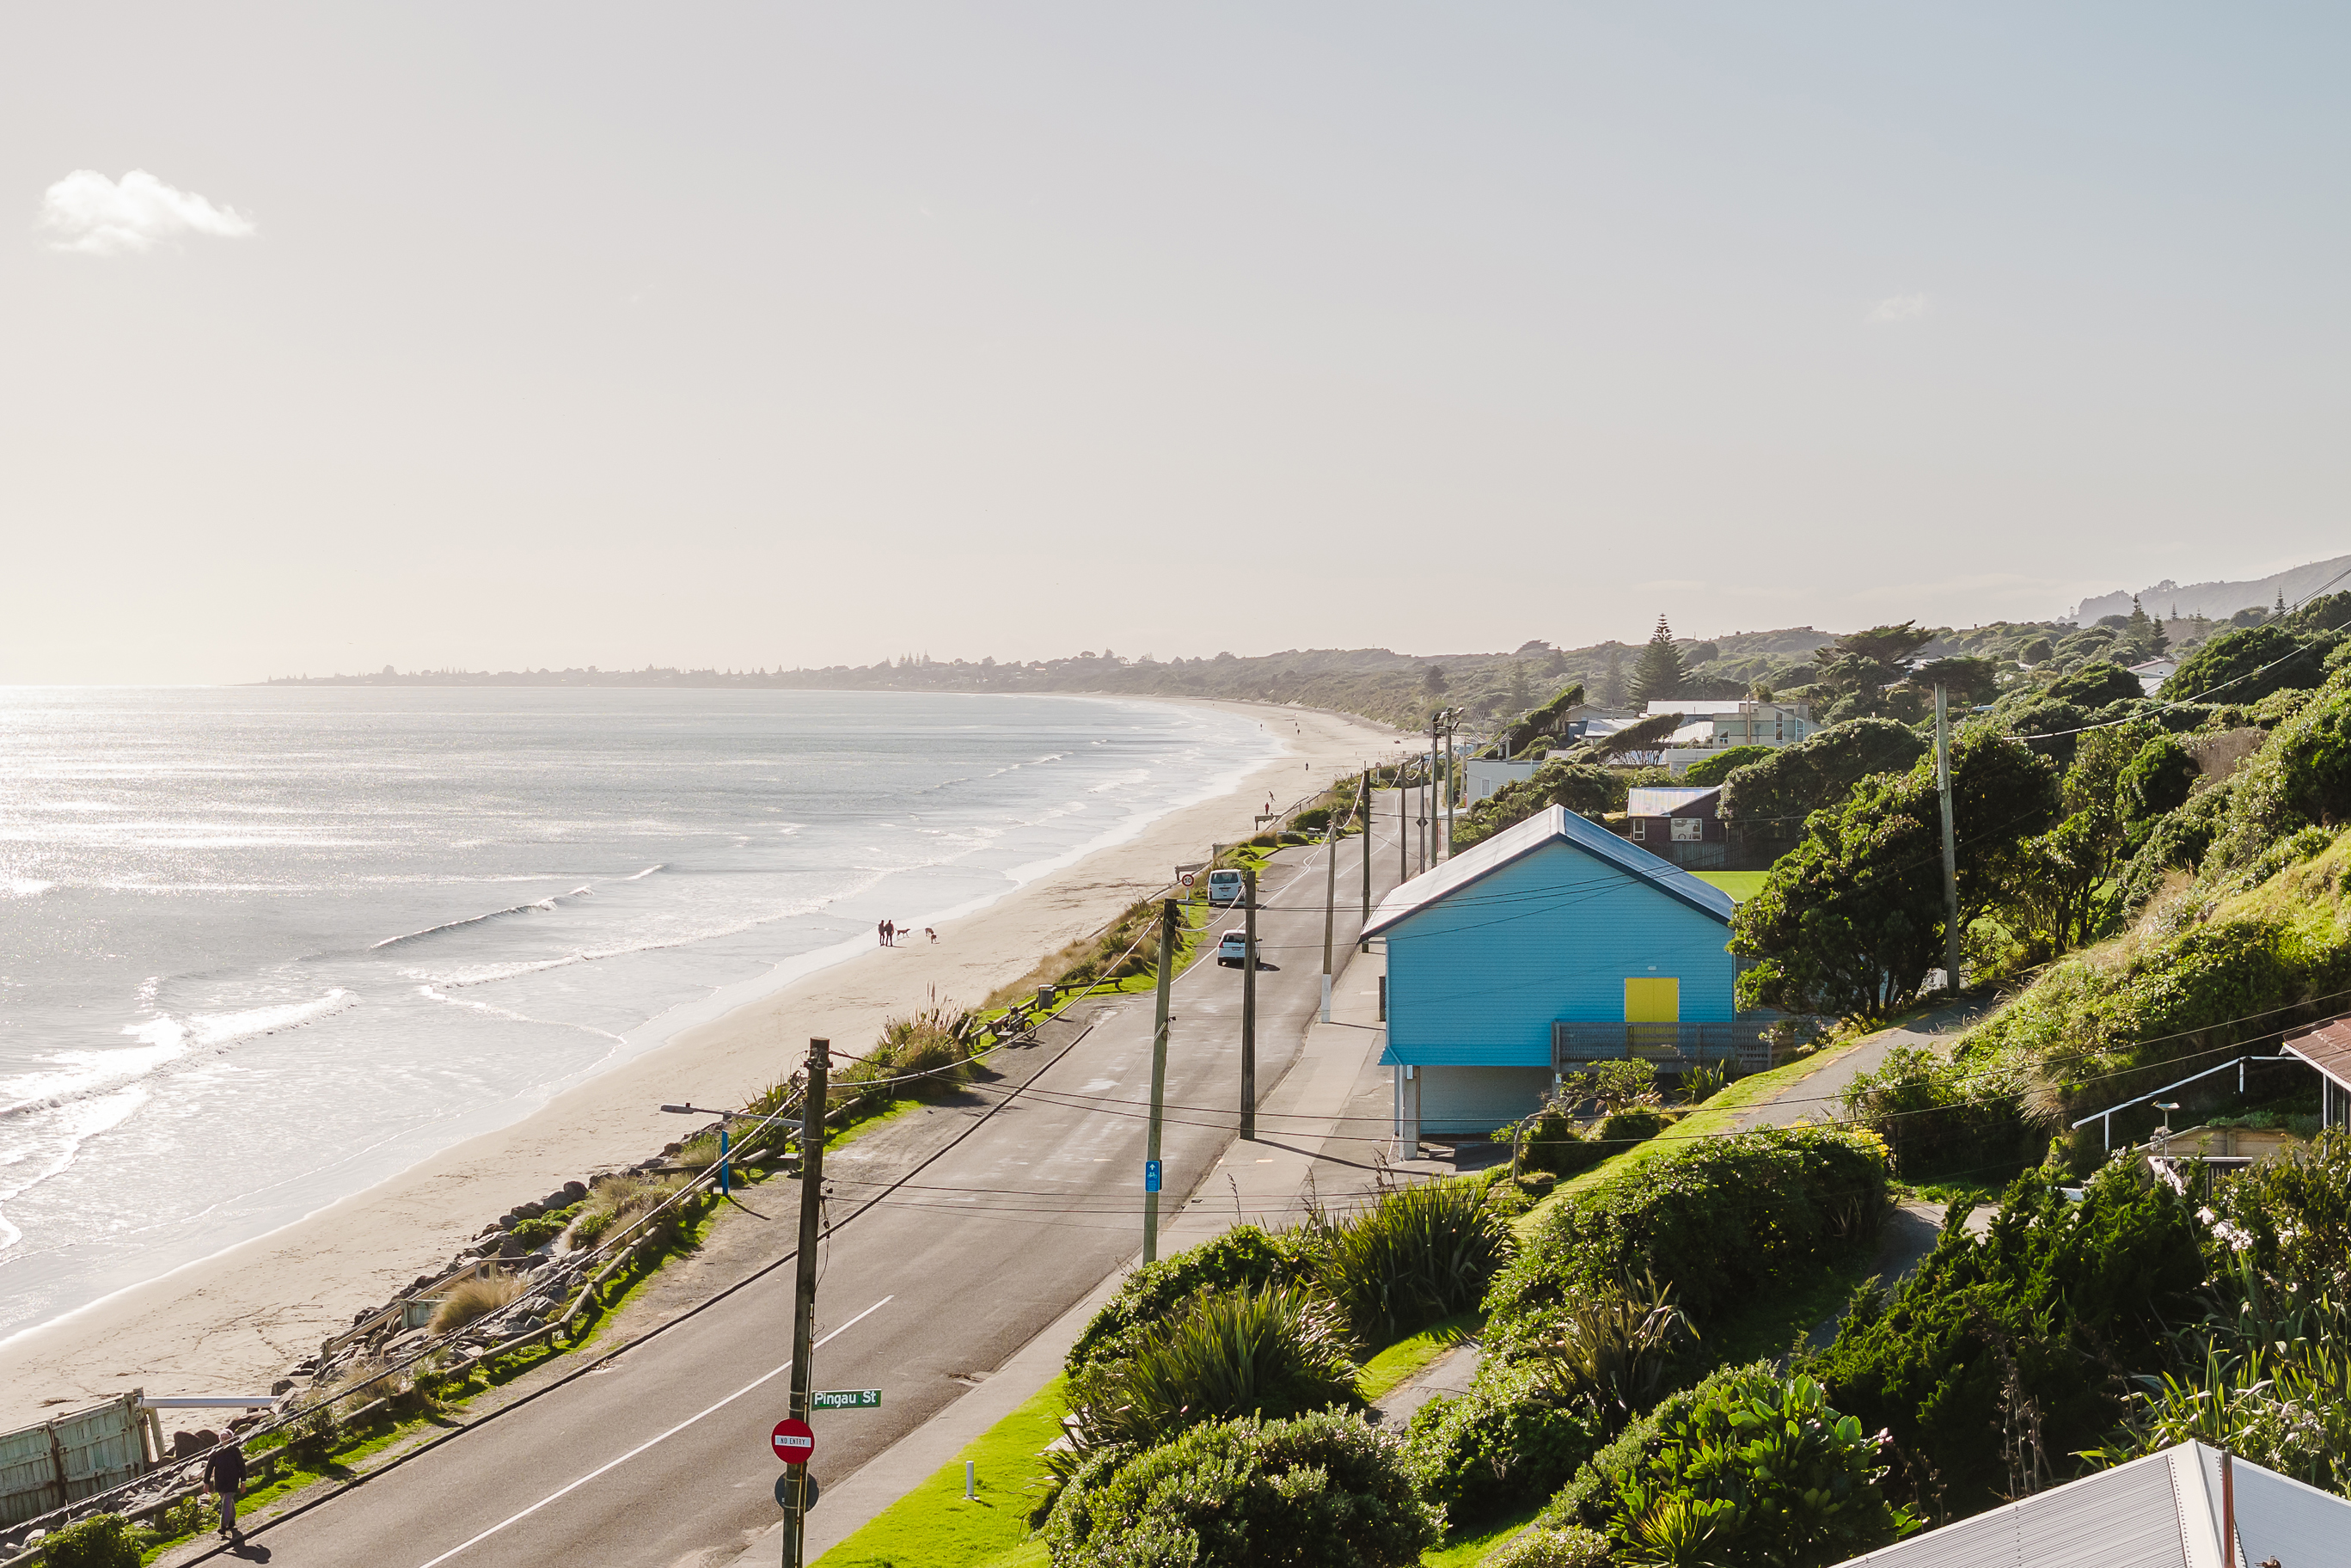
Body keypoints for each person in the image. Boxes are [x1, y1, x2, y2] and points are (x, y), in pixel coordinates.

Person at [203, 1437, 247, 1542]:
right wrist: (206, 1482)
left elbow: (242, 1466)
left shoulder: (234, 1450)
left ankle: (223, 1526)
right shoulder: (216, 1450)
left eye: (226, 1438)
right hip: (220, 1482)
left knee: (226, 1501)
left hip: (232, 1481)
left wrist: (243, 1482)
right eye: (222, 1438)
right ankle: (231, 1520)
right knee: (227, 1500)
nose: (224, 1440)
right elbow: (209, 1467)